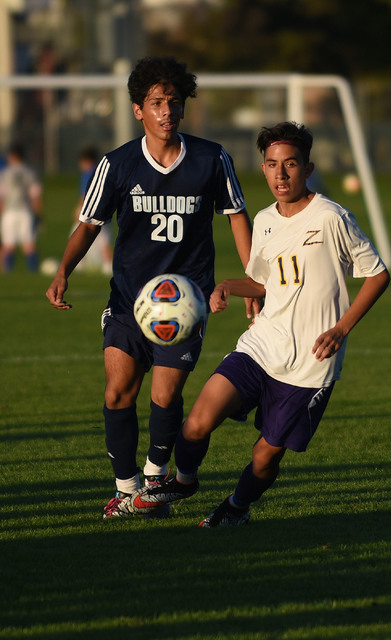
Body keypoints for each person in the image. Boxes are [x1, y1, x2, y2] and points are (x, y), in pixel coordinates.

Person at [117, 121, 391, 527]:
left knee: (265, 457)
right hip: (261, 345)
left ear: (308, 168)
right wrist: (230, 286)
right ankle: (185, 481)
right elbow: (263, 280)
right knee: (196, 423)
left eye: (291, 164)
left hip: (310, 364)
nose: (281, 174)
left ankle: (236, 507)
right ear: (262, 168)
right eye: (271, 164)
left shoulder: (332, 217)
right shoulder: (263, 220)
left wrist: (341, 328)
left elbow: (378, 274)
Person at [45, 56, 259, 519]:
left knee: (164, 395)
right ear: (139, 110)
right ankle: (127, 489)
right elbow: (88, 224)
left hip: (186, 303)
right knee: (117, 392)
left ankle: (155, 481)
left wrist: (252, 280)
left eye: (174, 102)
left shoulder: (211, 158)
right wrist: (64, 269)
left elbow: (237, 216)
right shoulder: (117, 164)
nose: (167, 110)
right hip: (128, 300)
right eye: (157, 102)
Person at [0, 144, 42, 273]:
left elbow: (2, 196)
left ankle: (8, 272)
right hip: (25, 211)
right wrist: (38, 215)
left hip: (9, 211)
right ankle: (33, 272)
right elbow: (35, 196)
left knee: (8, 244)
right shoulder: (29, 172)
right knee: (29, 243)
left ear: (12, 156)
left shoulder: (5, 173)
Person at [72, 146, 113, 275]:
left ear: (86, 160)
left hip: (92, 211)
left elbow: (86, 194)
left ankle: (78, 263)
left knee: (80, 236)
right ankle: (107, 265)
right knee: (103, 240)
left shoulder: (88, 174)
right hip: (105, 209)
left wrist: (79, 210)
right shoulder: (102, 170)